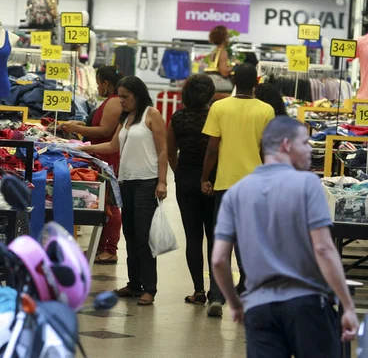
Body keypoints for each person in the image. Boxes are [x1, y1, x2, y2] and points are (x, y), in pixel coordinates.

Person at [211, 117, 359, 357]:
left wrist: (235, 303)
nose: (310, 149)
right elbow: (323, 249)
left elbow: (218, 259)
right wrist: (348, 306)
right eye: (305, 142)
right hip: (307, 306)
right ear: (286, 145)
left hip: (259, 308)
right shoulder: (308, 184)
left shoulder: (236, 192)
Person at [79, 76, 168, 306]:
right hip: (126, 182)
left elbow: (162, 150)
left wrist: (162, 181)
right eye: (119, 96)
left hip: (146, 182)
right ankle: (134, 284)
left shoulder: (152, 115)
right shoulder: (126, 118)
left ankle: (150, 288)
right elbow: (113, 146)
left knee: (143, 237)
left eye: (125, 96)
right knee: (130, 234)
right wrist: (82, 148)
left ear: (138, 95)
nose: (121, 100)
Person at [201, 63, 275, 317]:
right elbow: (267, 150)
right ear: (256, 82)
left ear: (233, 81)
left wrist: (204, 177)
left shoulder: (219, 107)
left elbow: (212, 148)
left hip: (225, 186)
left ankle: (217, 298)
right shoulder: (266, 110)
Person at [63, 66, 124, 264]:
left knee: (112, 204)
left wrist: (77, 128)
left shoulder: (114, 103)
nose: (97, 87)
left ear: (106, 84)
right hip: (102, 155)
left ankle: (110, 249)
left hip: (109, 157)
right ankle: (99, 248)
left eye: (98, 83)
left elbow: (104, 130)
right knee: (105, 203)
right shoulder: (110, 102)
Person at [167, 74, 216, 306]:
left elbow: (170, 151)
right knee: (215, 238)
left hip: (186, 179)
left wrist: (179, 173)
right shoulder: (217, 116)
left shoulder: (178, 117)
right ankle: (216, 292)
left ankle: (198, 291)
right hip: (214, 181)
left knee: (193, 237)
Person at [205, 25, 236, 100]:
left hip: (213, 88)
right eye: (228, 36)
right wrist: (235, 64)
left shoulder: (214, 52)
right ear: (224, 38)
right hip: (222, 90)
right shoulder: (222, 52)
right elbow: (224, 72)